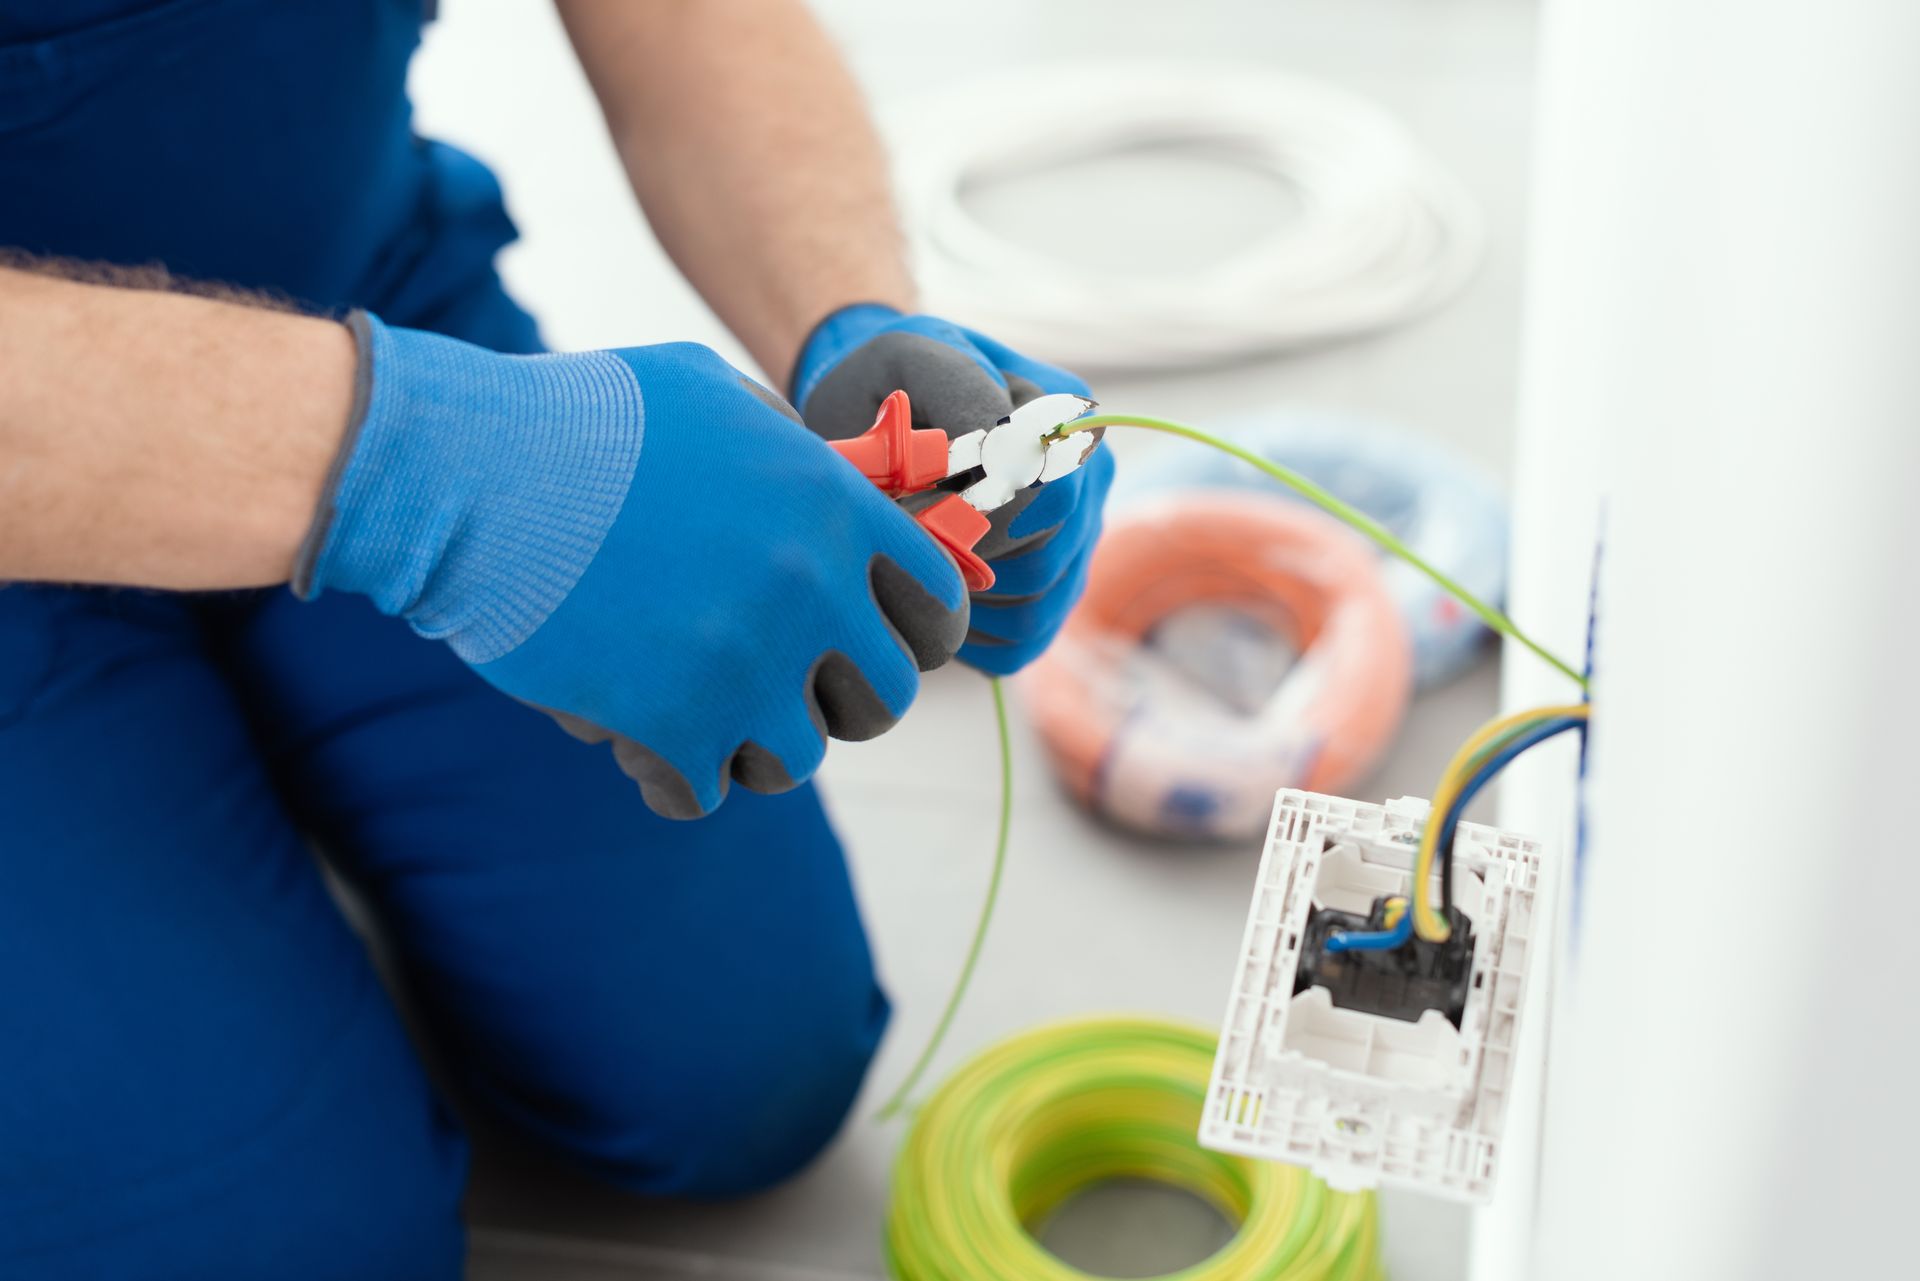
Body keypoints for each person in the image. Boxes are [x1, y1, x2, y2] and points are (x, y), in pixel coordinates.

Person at [0, 2, 1112, 1276]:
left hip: (362, 306)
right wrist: (417, 471)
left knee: (739, 1070)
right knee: (286, 1248)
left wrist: (848, 319)